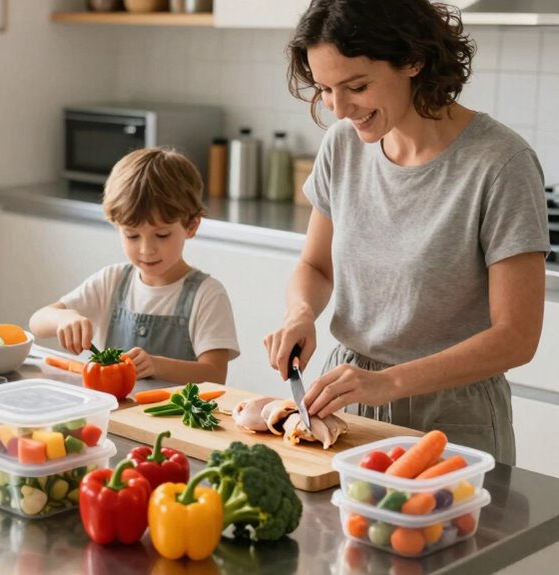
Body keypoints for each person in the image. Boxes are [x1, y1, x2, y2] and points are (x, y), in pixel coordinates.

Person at [264, 0, 550, 464]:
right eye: (325, 90)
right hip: (350, 400)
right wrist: (300, 314)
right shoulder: (344, 145)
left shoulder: (501, 164)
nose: (339, 110)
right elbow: (315, 265)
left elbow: (517, 335)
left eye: (356, 86)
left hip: (453, 416)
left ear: (413, 60)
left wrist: (389, 383)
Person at [30, 147, 240, 385]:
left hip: (175, 421)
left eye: (161, 235)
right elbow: (37, 322)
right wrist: (63, 318)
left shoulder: (207, 294)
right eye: (132, 236)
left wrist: (157, 365)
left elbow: (214, 375)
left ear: (191, 226)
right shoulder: (112, 280)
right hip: (114, 415)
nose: (146, 249)